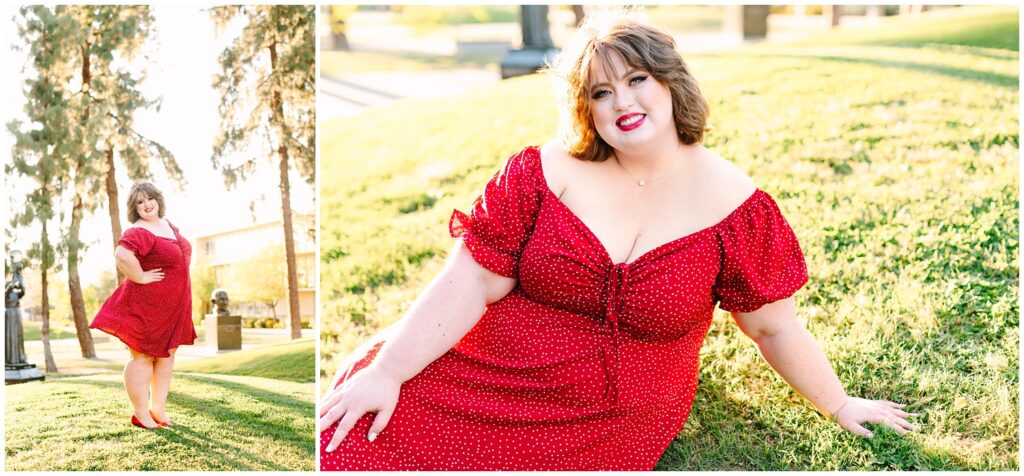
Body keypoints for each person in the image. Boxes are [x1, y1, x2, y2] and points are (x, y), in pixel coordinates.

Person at [318, 12, 919, 470]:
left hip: (608, 414)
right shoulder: (544, 172)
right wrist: (390, 370)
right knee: (351, 438)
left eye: (636, 79)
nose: (622, 102)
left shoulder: (735, 206)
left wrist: (840, 404)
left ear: (671, 84)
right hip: (488, 366)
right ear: (586, 109)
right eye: (600, 92)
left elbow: (773, 328)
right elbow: (471, 278)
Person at [91, 182, 196, 429]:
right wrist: (140, 276)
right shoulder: (139, 231)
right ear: (134, 208)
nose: (147, 204)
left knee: (167, 357)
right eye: (140, 202)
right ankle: (140, 413)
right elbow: (122, 254)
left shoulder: (167, 225)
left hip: (174, 306)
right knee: (143, 356)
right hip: (147, 306)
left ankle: (158, 410)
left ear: (158, 199)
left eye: (150, 198)